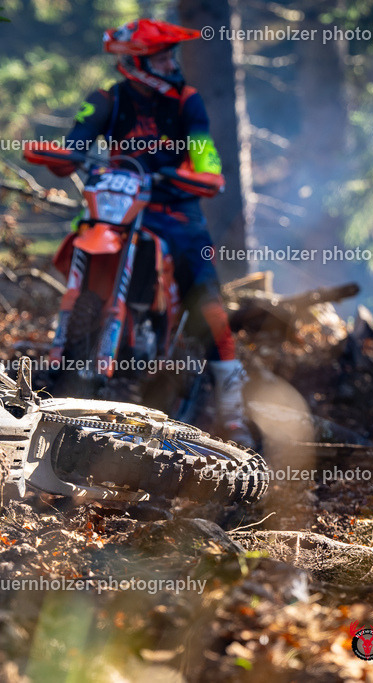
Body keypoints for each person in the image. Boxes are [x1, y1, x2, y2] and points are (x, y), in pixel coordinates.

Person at [48, 18, 252, 446]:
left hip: (175, 213)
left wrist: (198, 173)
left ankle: (234, 416)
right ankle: (59, 363)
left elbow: (206, 159)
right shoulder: (108, 100)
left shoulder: (186, 102)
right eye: (161, 56)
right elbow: (77, 140)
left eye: (170, 54)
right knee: (83, 244)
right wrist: (61, 155)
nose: (171, 62)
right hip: (118, 209)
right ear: (138, 61)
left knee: (210, 306)